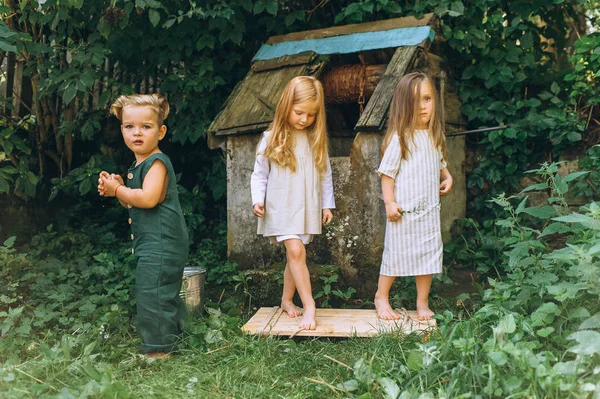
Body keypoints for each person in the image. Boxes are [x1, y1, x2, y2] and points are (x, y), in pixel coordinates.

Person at [97, 94, 188, 358]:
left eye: (146, 127)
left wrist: (120, 190)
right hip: (154, 241)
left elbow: (148, 199)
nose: (137, 133)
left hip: (163, 242)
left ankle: (159, 351)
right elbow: (134, 203)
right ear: (121, 128)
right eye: (129, 126)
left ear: (160, 132)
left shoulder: (156, 163)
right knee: (158, 290)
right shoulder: (139, 163)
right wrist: (116, 189)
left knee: (153, 294)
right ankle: (176, 335)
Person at [251, 76, 335, 330]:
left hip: (305, 206)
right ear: (286, 105)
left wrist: (326, 205)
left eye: (311, 115)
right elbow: (259, 174)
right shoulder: (271, 139)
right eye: (299, 112)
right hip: (280, 205)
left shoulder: (315, 139)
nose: (304, 119)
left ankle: (287, 300)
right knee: (297, 251)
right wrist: (257, 199)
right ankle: (310, 305)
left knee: (293, 255)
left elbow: (325, 173)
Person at [375, 72, 453, 321]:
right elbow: (387, 174)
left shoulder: (434, 135)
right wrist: (389, 202)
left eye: (427, 98)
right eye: (416, 100)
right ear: (403, 104)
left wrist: (447, 177)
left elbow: (440, 163)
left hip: (429, 212)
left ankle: (422, 303)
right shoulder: (400, 138)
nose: (422, 106)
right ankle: (381, 296)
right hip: (403, 213)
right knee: (394, 255)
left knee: (428, 256)